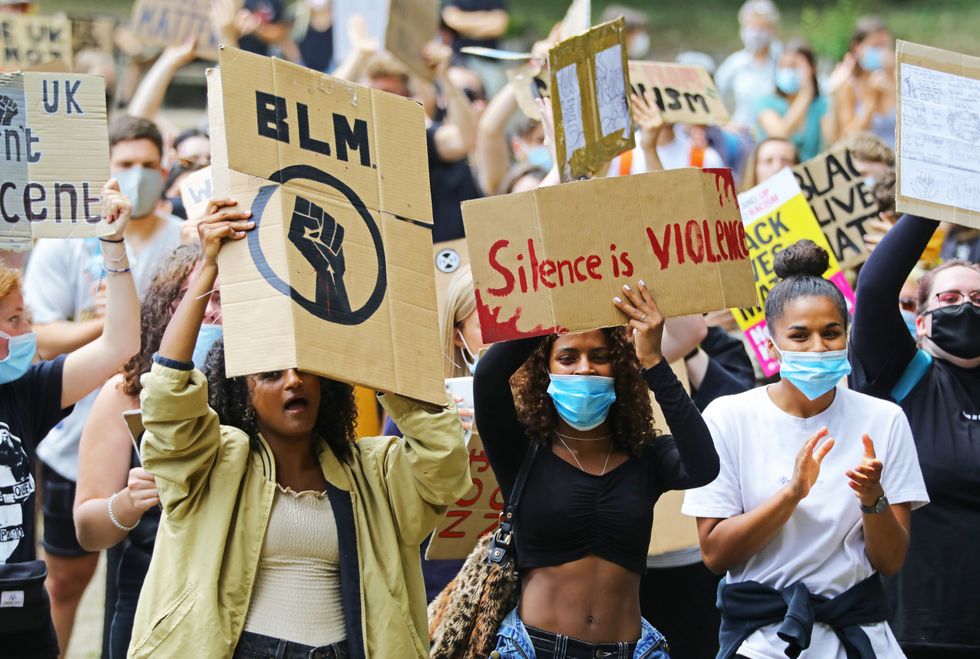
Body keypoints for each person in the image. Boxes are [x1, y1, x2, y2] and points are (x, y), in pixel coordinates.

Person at [127, 210, 471, 658]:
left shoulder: (372, 471)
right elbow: (169, 394)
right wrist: (209, 267)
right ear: (241, 391)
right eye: (271, 372)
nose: (293, 381)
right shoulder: (214, 461)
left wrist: (368, 349)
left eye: (306, 368)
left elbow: (443, 461)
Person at [683, 239, 929, 659]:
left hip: (861, 641)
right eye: (799, 335)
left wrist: (873, 500)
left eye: (831, 333)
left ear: (846, 336)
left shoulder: (884, 419)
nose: (818, 347)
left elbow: (889, 561)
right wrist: (792, 493)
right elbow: (715, 553)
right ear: (772, 341)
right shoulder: (729, 416)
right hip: (763, 645)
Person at [475, 281, 720, 658]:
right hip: (533, 650)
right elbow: (489, 377)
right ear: (546, 371)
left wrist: (653, 362)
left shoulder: (646, 455)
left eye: (600, 356)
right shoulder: (522, 450)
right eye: (568, 358)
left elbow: (703, 466)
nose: (584, 369)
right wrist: (560, 301)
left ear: (619, 368)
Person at [22, 115, 182, 655]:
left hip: (160, 453)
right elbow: (40, 336)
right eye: (125, 166)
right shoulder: (65, 245)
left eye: (147, 165)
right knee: (63, 584)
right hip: (73, 446)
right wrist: (105, 322)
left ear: (164, 170)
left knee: (135, 583)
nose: (137, 176)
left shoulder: (184, 240)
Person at [0, 182, 140, 658]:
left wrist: (113, 247)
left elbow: (119, 346)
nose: (29, 333)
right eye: (16, 321)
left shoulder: (25, 390)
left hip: (21, 618)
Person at [72, 243, 216, 658]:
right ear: (166, 310)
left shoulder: (263, 390)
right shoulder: (126, 395)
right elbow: (87, 529)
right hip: (151, 600)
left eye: (222, 300)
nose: (209, 313)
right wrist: (127, 504)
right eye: (195, 299)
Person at [849, 213, 980, 658]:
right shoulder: (903, 376)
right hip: (916, 628)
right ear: (921, 321)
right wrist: (934, 192)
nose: (967, 306)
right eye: (950, 297)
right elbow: (874, 289)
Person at [754, 41, 831, 160]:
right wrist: (805, 94)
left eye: (794, 66)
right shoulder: (765, 102)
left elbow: (833, 140)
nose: (787, 71)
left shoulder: (821, 103)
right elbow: (779, 135)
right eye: (783, 66)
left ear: (812, 68)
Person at [829, 16, 896, 148]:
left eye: (885, 45)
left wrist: (892, 89)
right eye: (876, 46)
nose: (882, 52)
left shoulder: (897, 78)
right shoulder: (848, 85)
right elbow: (847, 137)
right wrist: (872, 99)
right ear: (857, 47)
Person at [716, 0, 782, 131]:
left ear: (773, 30)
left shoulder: (784, 60)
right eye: (752, 28)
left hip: (775, 132)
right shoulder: (736, 62)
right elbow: (713, 91)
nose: (756, 34)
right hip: (740, 132)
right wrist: (723, 123)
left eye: (762, 28)